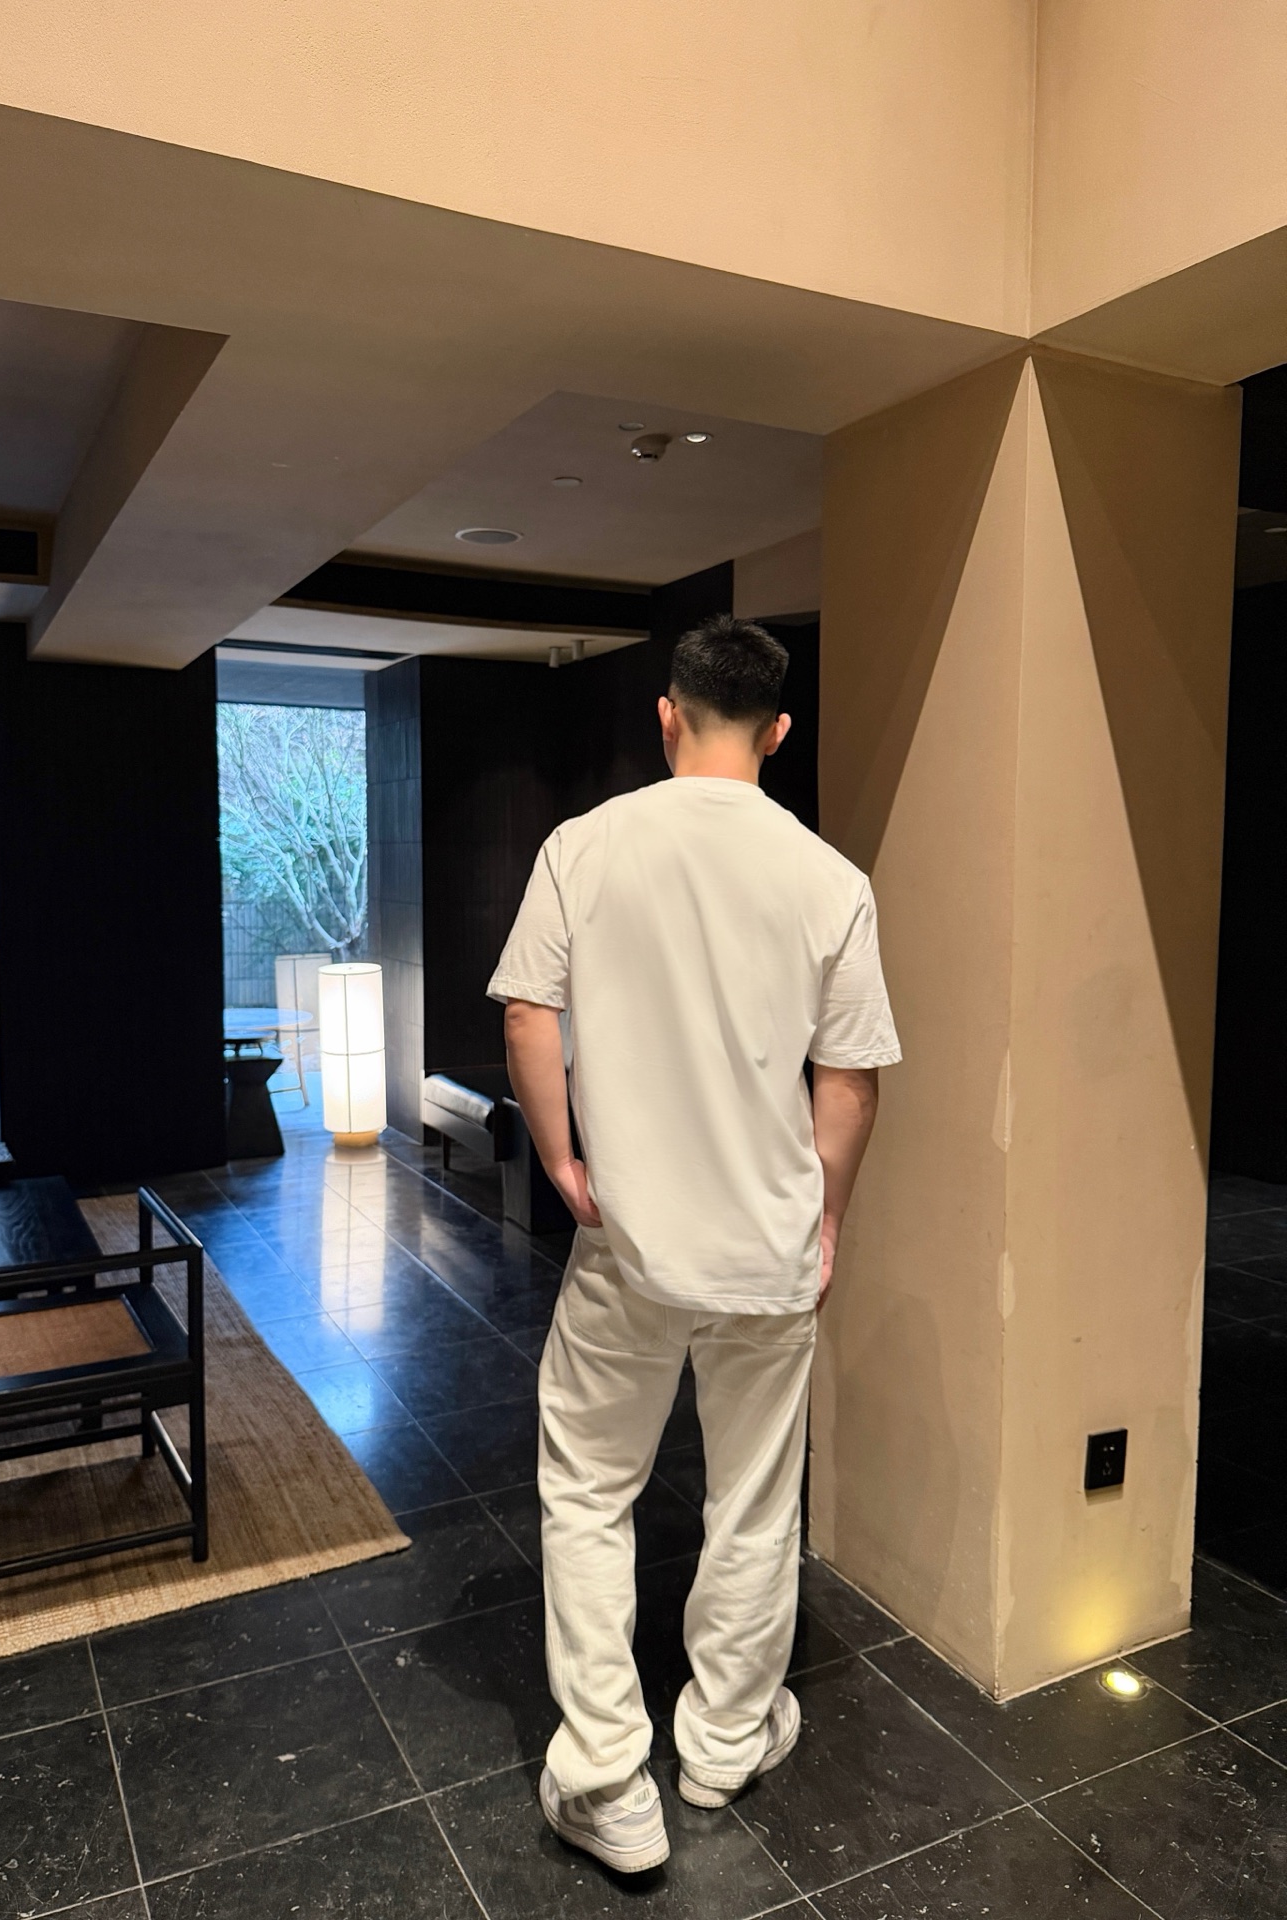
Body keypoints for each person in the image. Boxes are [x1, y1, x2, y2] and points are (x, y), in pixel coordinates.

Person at [487, 614, 900, 1874]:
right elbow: (850, 1082)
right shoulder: (830, 880)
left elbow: (528, 1015)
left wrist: (563, 1161)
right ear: (779, 732)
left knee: (589, 1491)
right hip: (766, 1251)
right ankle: (722, 1744)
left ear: (666, 716)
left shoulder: (585, 845)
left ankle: (608, 1780)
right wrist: (826, 1219)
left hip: (628, 1245)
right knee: (754, 1503)